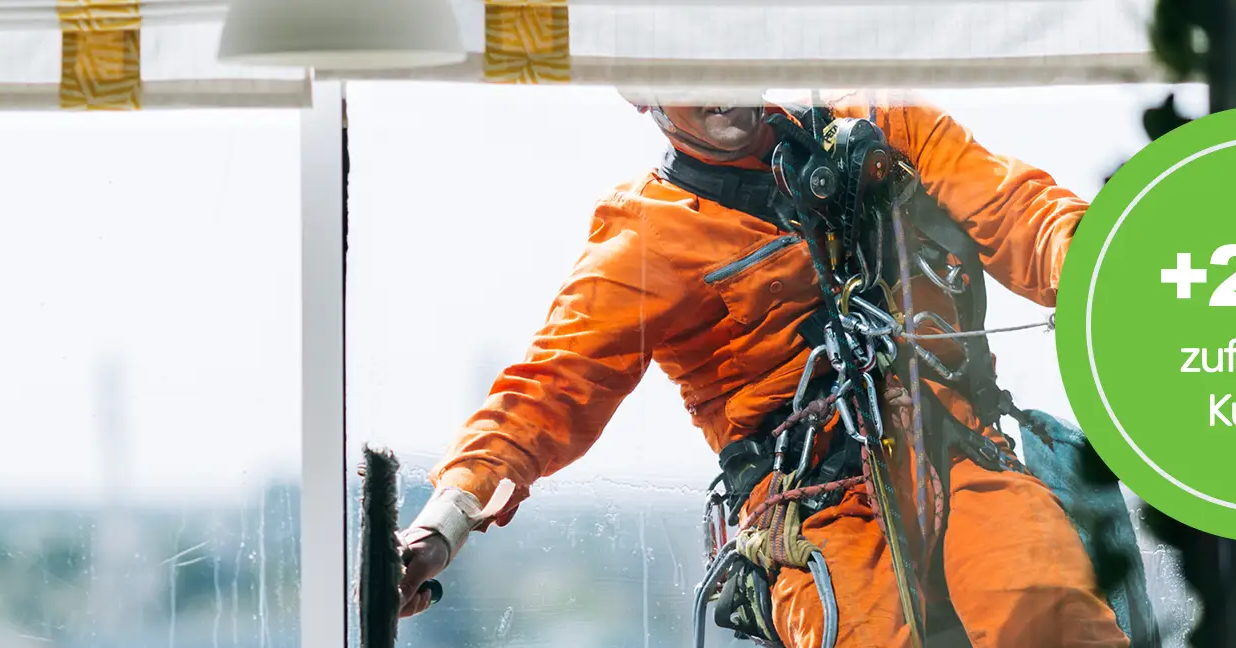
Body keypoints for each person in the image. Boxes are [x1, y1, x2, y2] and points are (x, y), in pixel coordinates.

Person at [393, 88, 1129, 648]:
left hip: (960, 457)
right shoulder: (648, 238)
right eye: (681, 69)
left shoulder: (889, 136)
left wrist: (1132, 279)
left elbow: (1025, 215)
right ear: (636, 91)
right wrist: (442, 525)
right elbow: (547, 391)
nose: (716, 80)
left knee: (1049, 613)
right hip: (814, 514)